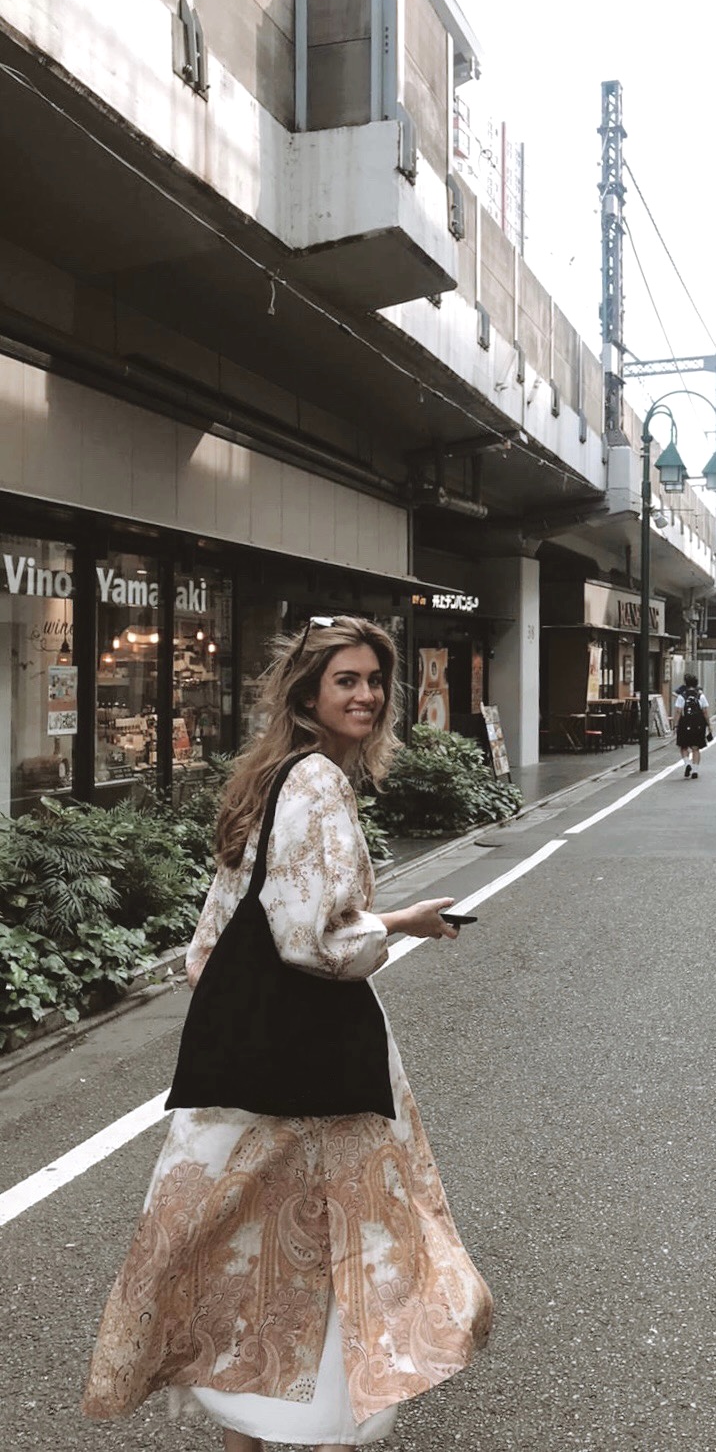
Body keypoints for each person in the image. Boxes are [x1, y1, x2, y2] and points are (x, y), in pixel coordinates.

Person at [83, 615, 493, 1449]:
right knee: (350, 1246)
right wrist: (397, 926)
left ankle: (248, 1423)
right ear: (309, 691)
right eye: (346, 680)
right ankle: (321, 1416)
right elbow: (315, 939)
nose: (367, 696)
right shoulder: (318, 785)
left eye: (375, 681)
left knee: (243, 1249)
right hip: (319, 1070)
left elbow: (217, 937)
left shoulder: (271, 777)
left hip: (251, 1062)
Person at [674, 672, 710, 777]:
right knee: (696, 748)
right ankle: (695, 771)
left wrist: (675, 725)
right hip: (698, 723)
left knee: (683, 746)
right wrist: (709, 725)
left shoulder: (682, 696)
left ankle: (687, 764)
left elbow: (678, 711)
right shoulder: (700, 696)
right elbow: (705, 712)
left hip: (685, 723)